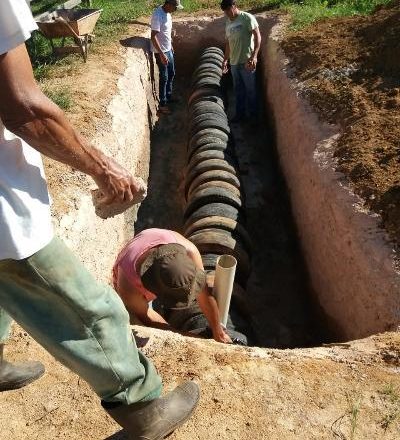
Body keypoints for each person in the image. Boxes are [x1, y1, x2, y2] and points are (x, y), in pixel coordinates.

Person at [0, 1, 199, 438]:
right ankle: (142, 406)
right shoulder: (135, 269)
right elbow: (24, 107)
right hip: (3, 215)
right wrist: (102, 167)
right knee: (97, 311)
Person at [113, 228, 232, 343]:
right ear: (158, 291)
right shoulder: (129, 288)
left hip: (148, 242)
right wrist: (181, 336)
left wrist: (218, 330)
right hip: (134, 290)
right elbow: (147, 316)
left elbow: (204, 294)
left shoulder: (188, 250)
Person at [221, 0, 261, 123]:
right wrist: (225, 60)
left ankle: (254, 117)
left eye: (228, 10)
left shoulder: (247, 18)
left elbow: (258, 37)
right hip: (234, 62)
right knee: (238, 90)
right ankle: (240, 115)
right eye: (225, 12)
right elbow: (228, 44)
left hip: (247, 61)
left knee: (250, 90)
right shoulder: (228, 22)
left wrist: (254, 56)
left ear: (234, 6)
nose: (227, 13)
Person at [150, 0, 183, 115]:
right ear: (169, 4)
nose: (175, 10)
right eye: (175, 7)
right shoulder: (157, 15)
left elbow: (166, 33)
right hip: (161, 52)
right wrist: (161, 54)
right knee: (164, 77)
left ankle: (168, 96)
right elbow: (153, 37)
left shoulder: (168, 14)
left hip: (168, 49)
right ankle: (162, 104)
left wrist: (171, 45)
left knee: (172, 73)